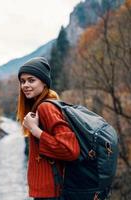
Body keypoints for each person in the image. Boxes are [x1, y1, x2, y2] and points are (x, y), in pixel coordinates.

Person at [16, 57, 80, 200]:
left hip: (52, 194)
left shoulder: (46, 107)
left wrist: (36, 131)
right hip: (46, 193)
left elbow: (70, 150)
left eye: (31, 80)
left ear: (44, 82)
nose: (25, 85)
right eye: (22, 81)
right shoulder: (39, 106)